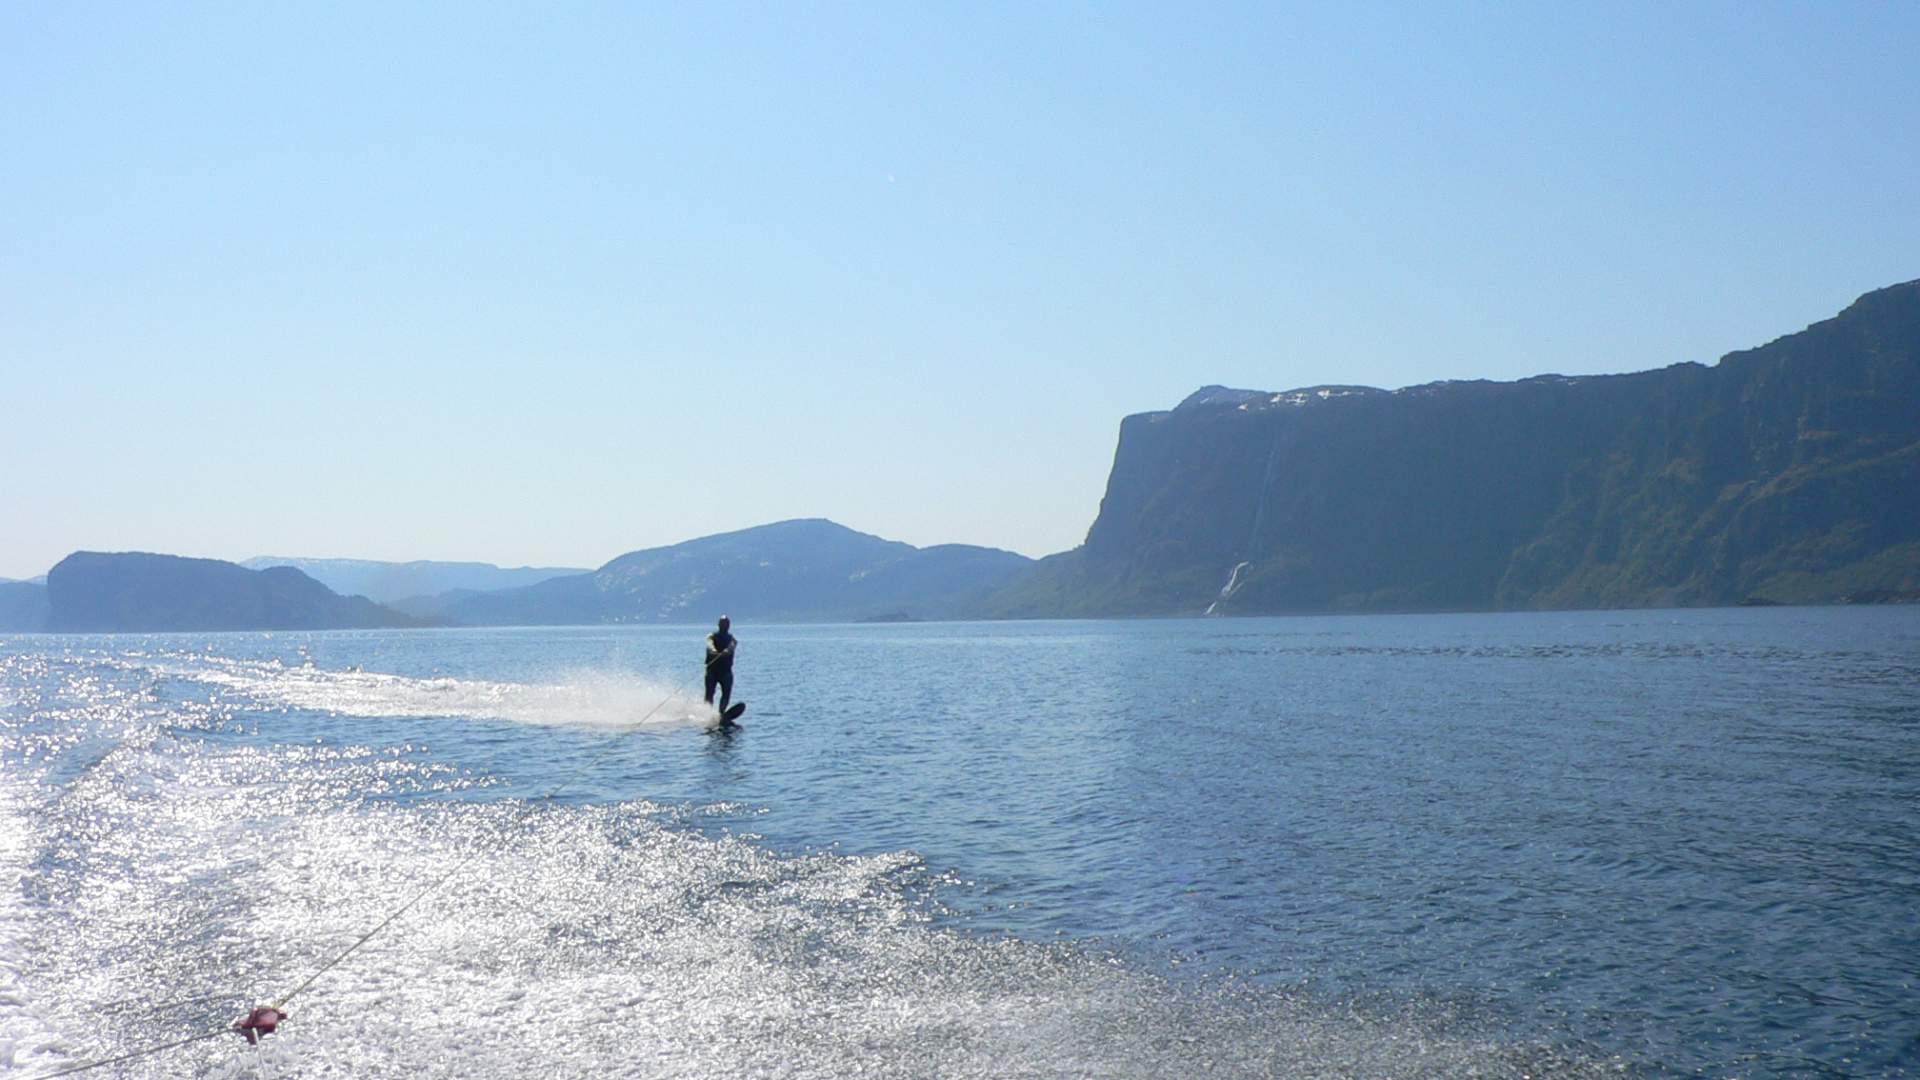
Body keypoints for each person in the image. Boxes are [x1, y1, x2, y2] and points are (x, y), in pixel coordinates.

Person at [703, 615, 737, 714]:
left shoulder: (732, 639)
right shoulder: (711, 636)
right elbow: (709, 645)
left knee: (726, 693)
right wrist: (713, 650)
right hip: (712, 671)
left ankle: (722, 712)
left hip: (725, 672)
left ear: (729, 625)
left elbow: (732, 646)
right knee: (709, 693)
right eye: (722, 624)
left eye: (726, 624)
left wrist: (727, 651)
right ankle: (707, 712)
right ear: (719, 625)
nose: (724, 626)